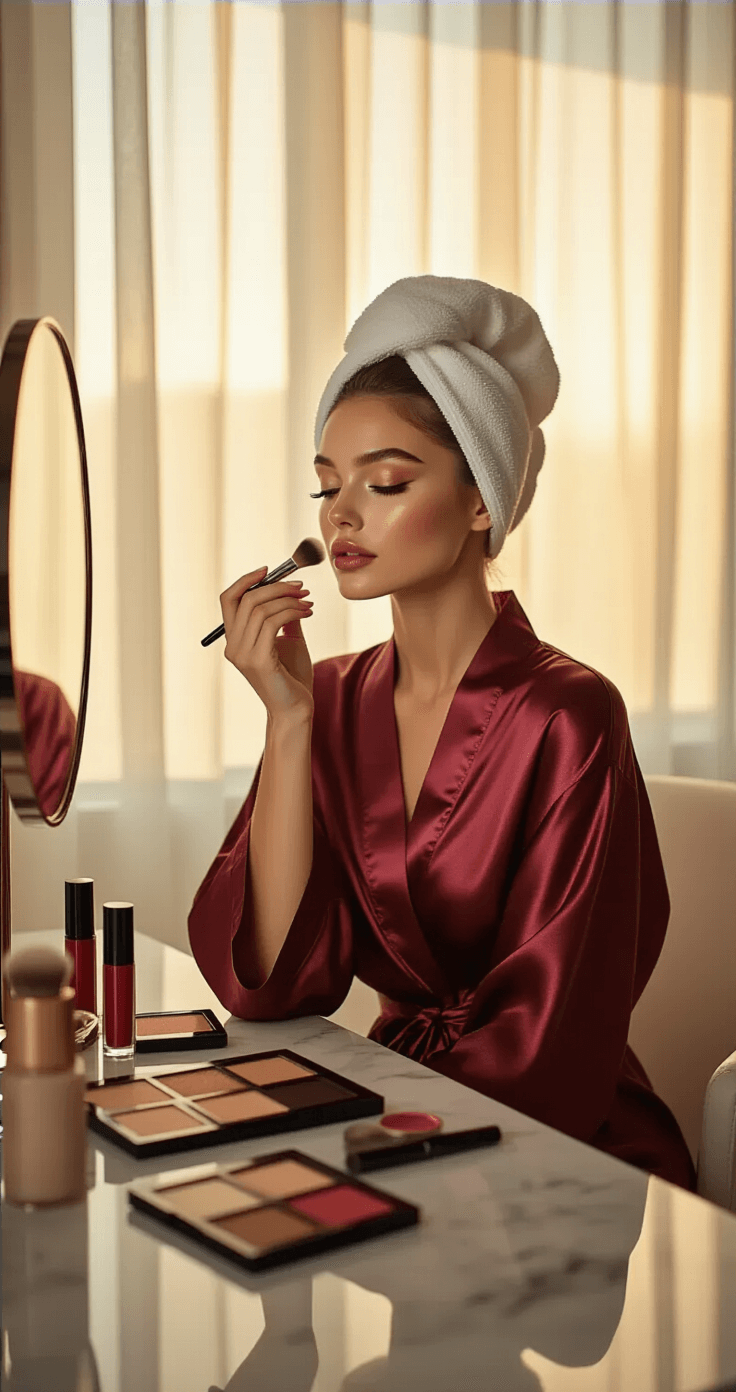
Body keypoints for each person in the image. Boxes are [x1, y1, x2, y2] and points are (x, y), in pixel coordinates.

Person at [189, 275, 696, 1191]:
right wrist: (290, 718)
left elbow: (556, 1030)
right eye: (326, 485)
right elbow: (271, 980)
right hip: (393, 1116)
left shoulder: (571, 715)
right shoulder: (333, 697)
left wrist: (374, 1134)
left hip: (559, 1148)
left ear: (480, 503)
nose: (341, 514)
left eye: (385, 481)